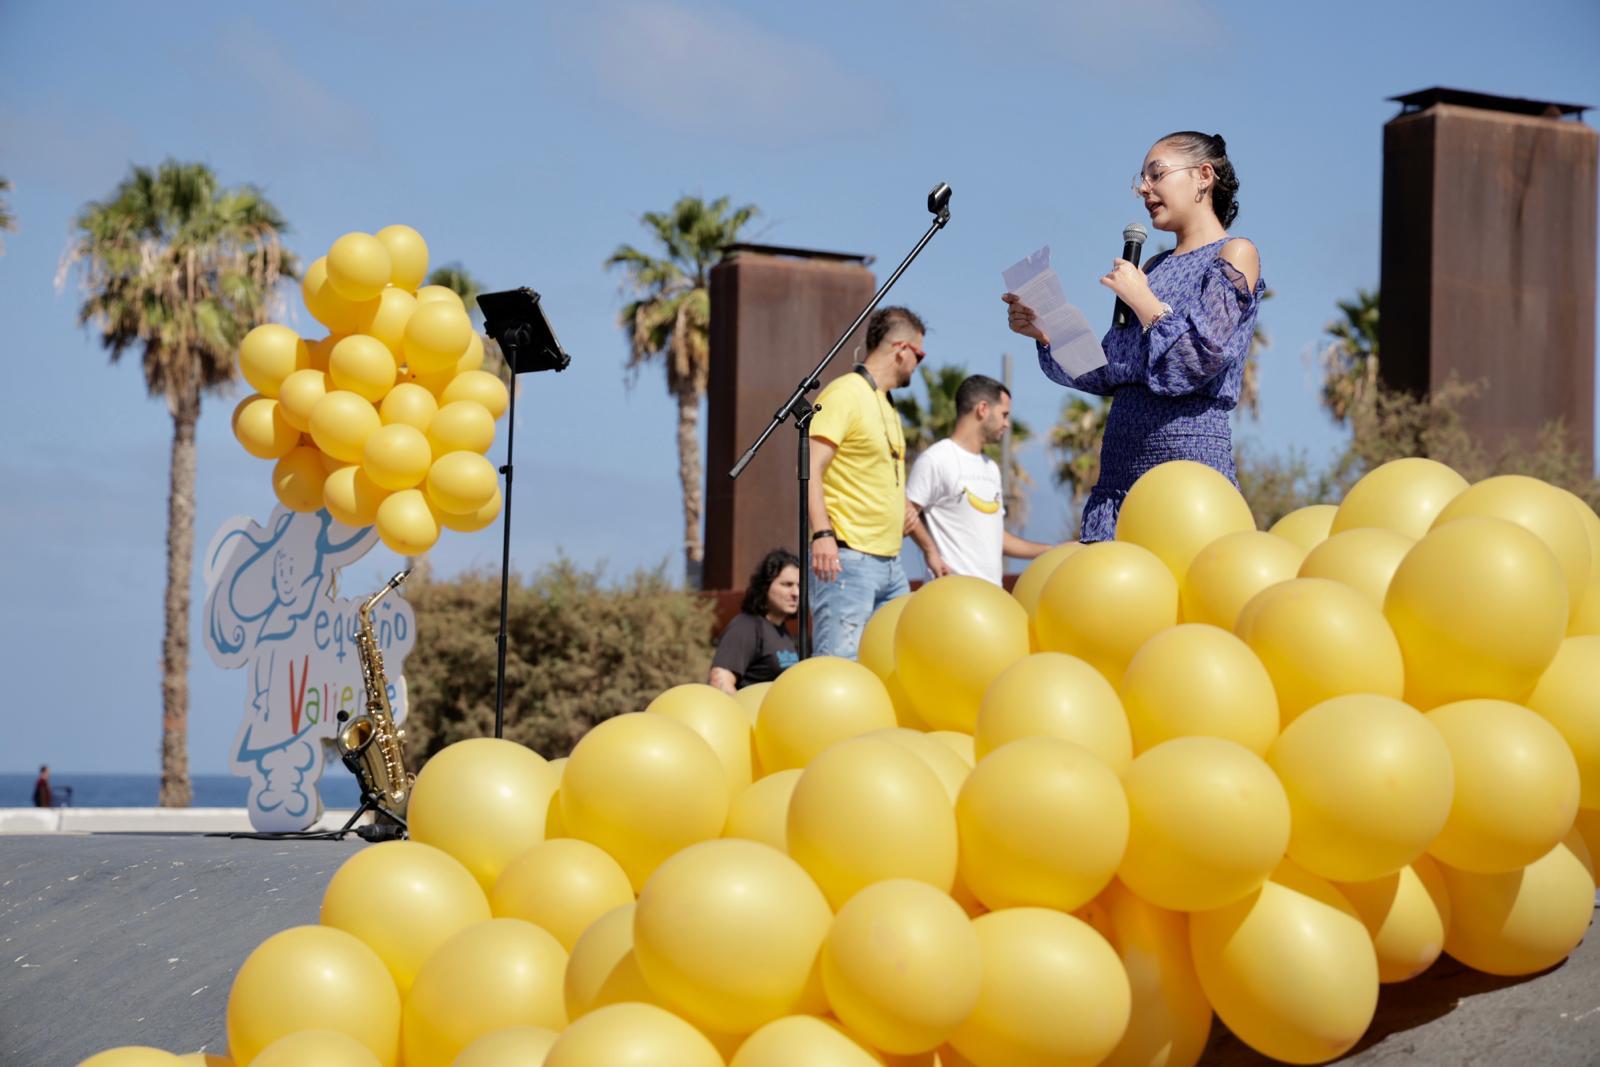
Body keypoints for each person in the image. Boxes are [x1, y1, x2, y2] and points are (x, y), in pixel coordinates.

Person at [1004, 131, 1264, 541]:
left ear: (1204, 176)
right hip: (1119, 473)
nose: (1144, 189)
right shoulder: (1153, 267)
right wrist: (1046, 331)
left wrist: (1144, 300)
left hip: (1186, 466)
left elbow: (1196, 360)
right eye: (1141, 180)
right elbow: (1112, 370)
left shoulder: (1234, 254)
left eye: (1156, 175)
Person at [808, 306, 927, 659]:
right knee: (840, 667)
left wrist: (929, 549)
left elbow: (891, 490)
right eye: (920, 355)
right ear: (901, 349)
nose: (919, 365)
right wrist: (822, 535)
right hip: (849, 558)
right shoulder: (845, 393)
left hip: (891, 563)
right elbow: (810, 467)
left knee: (896, 662)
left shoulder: (887, 406)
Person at [905, 374, 1054, 583]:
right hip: (950, 598)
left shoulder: (991, 468)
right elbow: (905, 512)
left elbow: (996, 538)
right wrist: (930, 550)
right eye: (1004, 414)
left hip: (990, 601)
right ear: (982, 409)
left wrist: (1052, 551)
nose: (1007, 424)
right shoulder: (936, 459)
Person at [709, 549, 802, 693]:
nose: (796, 593)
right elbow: (719, 681)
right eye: (787, 584)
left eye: (799, 586)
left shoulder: (783, 633)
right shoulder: (746, 626)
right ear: (765, 587)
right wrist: (744, 714)